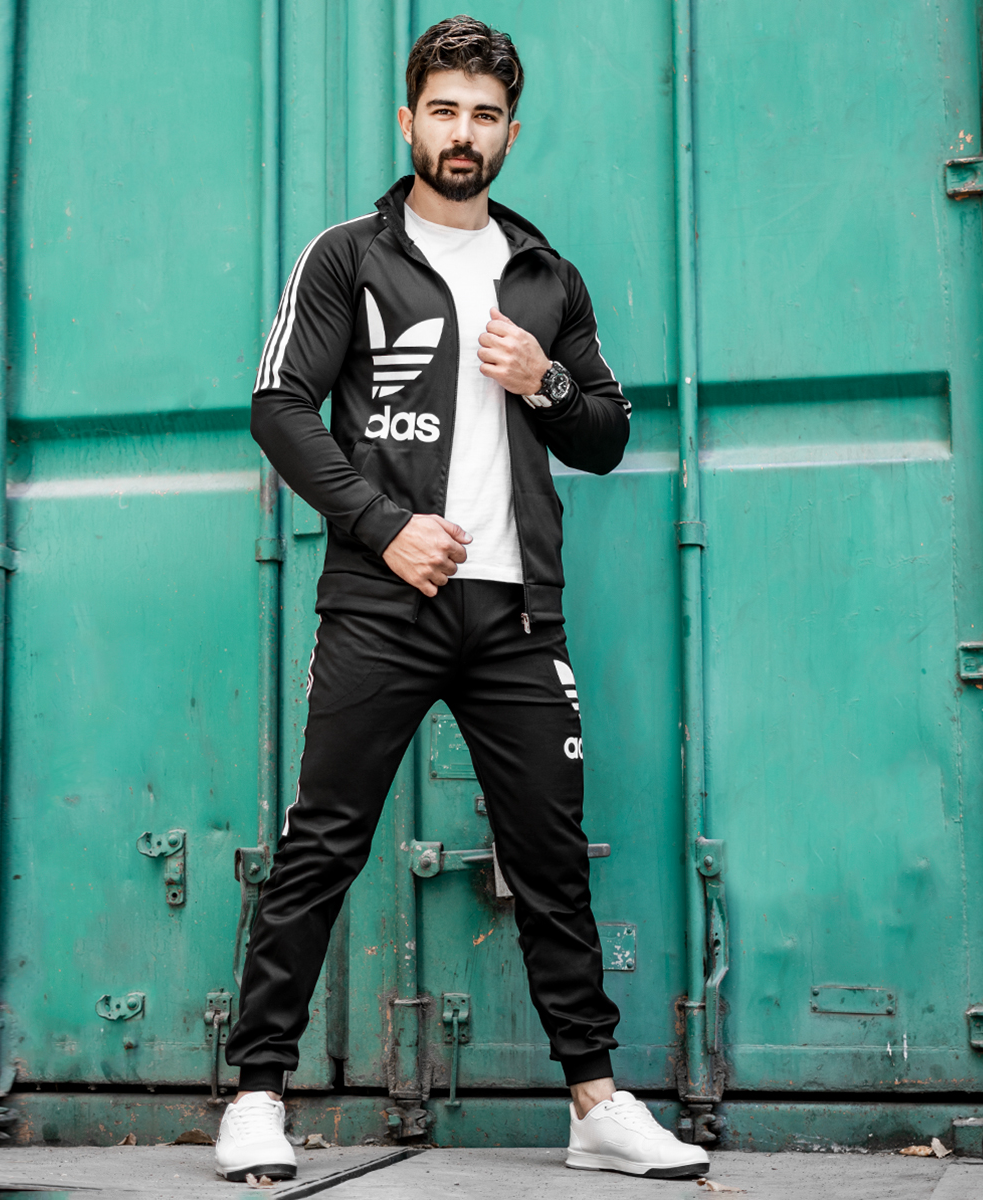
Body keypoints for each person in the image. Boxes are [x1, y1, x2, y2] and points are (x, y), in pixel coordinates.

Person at [214, 14, 710, 1184]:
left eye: (485, 115)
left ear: (509, 134)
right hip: (384, 604)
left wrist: (544, 380)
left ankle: (595, 1106)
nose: (463, 131)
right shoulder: (348, 256)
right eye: (444, 109)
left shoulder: (546, 276)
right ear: (409, 121)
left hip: (517, 615)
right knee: (323, 844)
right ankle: (255, 1096)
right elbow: (279, 406)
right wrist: (384, 526)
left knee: (551, 859)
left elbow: (605, 435)